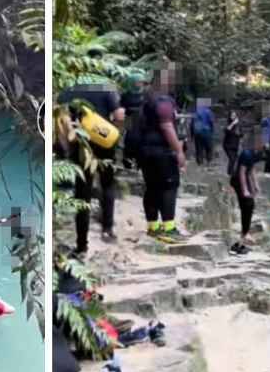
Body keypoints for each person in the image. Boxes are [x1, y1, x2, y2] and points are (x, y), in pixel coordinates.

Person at [57, 82, 125, 255]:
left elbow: (61, 124)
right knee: (108, 184)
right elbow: (119, 115)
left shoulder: (67, 92)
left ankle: (82, 245)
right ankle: (107, 229)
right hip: (104, 144)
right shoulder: (105, 88)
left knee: (82, 195)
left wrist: (65, 150)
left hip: (79, 146)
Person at [138, 65, 189, 243]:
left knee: (152, 187)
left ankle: (153, 227)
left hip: (144, 150)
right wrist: (179, 151)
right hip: (161, 151)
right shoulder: (163, 100)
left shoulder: (146, 97)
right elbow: (167, 126)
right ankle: (168, 228)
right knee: (169, 186)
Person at [229, 136, 264, 255]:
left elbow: (252, 170)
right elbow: (242, 173)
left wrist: (256, 185)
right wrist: (245, 190)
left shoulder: (255, 154)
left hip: (243, 179)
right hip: (237, 180)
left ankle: (242, 239)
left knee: (250, 207)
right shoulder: (246, 154)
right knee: (247, 206)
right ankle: (239, 243)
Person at [120, 72, 148, 169]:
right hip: (129, 119)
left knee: (142, 140)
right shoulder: (125, 95)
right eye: (138, 82)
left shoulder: (145, 94)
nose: (140, 84)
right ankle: (127, 161)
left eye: (142, 82)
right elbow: (121, 108)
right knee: (129, 139)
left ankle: (140, 163)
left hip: (142, 120)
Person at [191, 98, 215, 166]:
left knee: (199, 147)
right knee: (209, 147)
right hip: (206, 131)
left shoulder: (196, 112)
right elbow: (211, 122)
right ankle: (209, 161)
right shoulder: (209, 112)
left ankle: (200, 162)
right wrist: (212, 130)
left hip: (197, 132)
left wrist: (192, 134)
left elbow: (192, 124)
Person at [222, 110, 242, 177]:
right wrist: (233, 123)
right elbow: (226, 130)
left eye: (234, 115)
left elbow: (241, 134)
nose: (233, 117)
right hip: (227, 145)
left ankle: (232, 173)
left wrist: (240, 134)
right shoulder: (228, 123)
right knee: (232, 159)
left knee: (234, 159)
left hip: (235, 145)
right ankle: (229, 173)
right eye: (232, 115)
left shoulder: (238, 125)